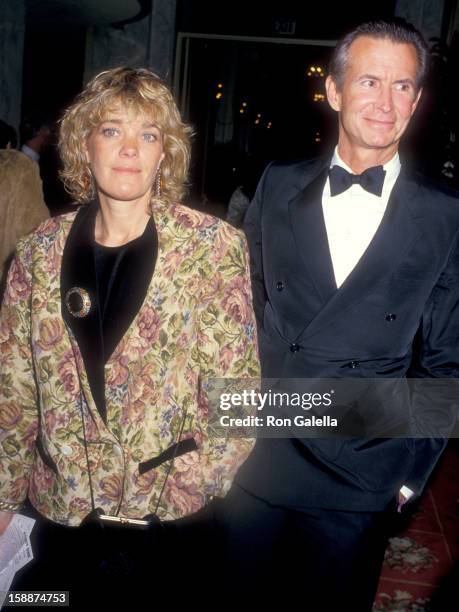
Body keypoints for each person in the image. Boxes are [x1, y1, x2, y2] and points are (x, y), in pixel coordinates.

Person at [223, 18, 459, 610]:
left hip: (358, 470)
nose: (385, 102)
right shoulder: (279, 183)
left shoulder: (445, 214)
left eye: (402, 86)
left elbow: (446, 361)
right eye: (369, 82)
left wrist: (408, 474)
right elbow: (243, 315)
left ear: (419, 99)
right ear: (333, 91)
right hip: (259, 451)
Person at [0, 67, 259, 605]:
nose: (129, 149)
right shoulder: (37, 252)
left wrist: (193, 479)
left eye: (148, 135)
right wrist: (4, 497)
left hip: (169, 524)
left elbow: (238, 396)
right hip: (64, 513)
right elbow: (14, 392)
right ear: (83, 144)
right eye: (112, 130)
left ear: (165, 153)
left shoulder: (211, 249)